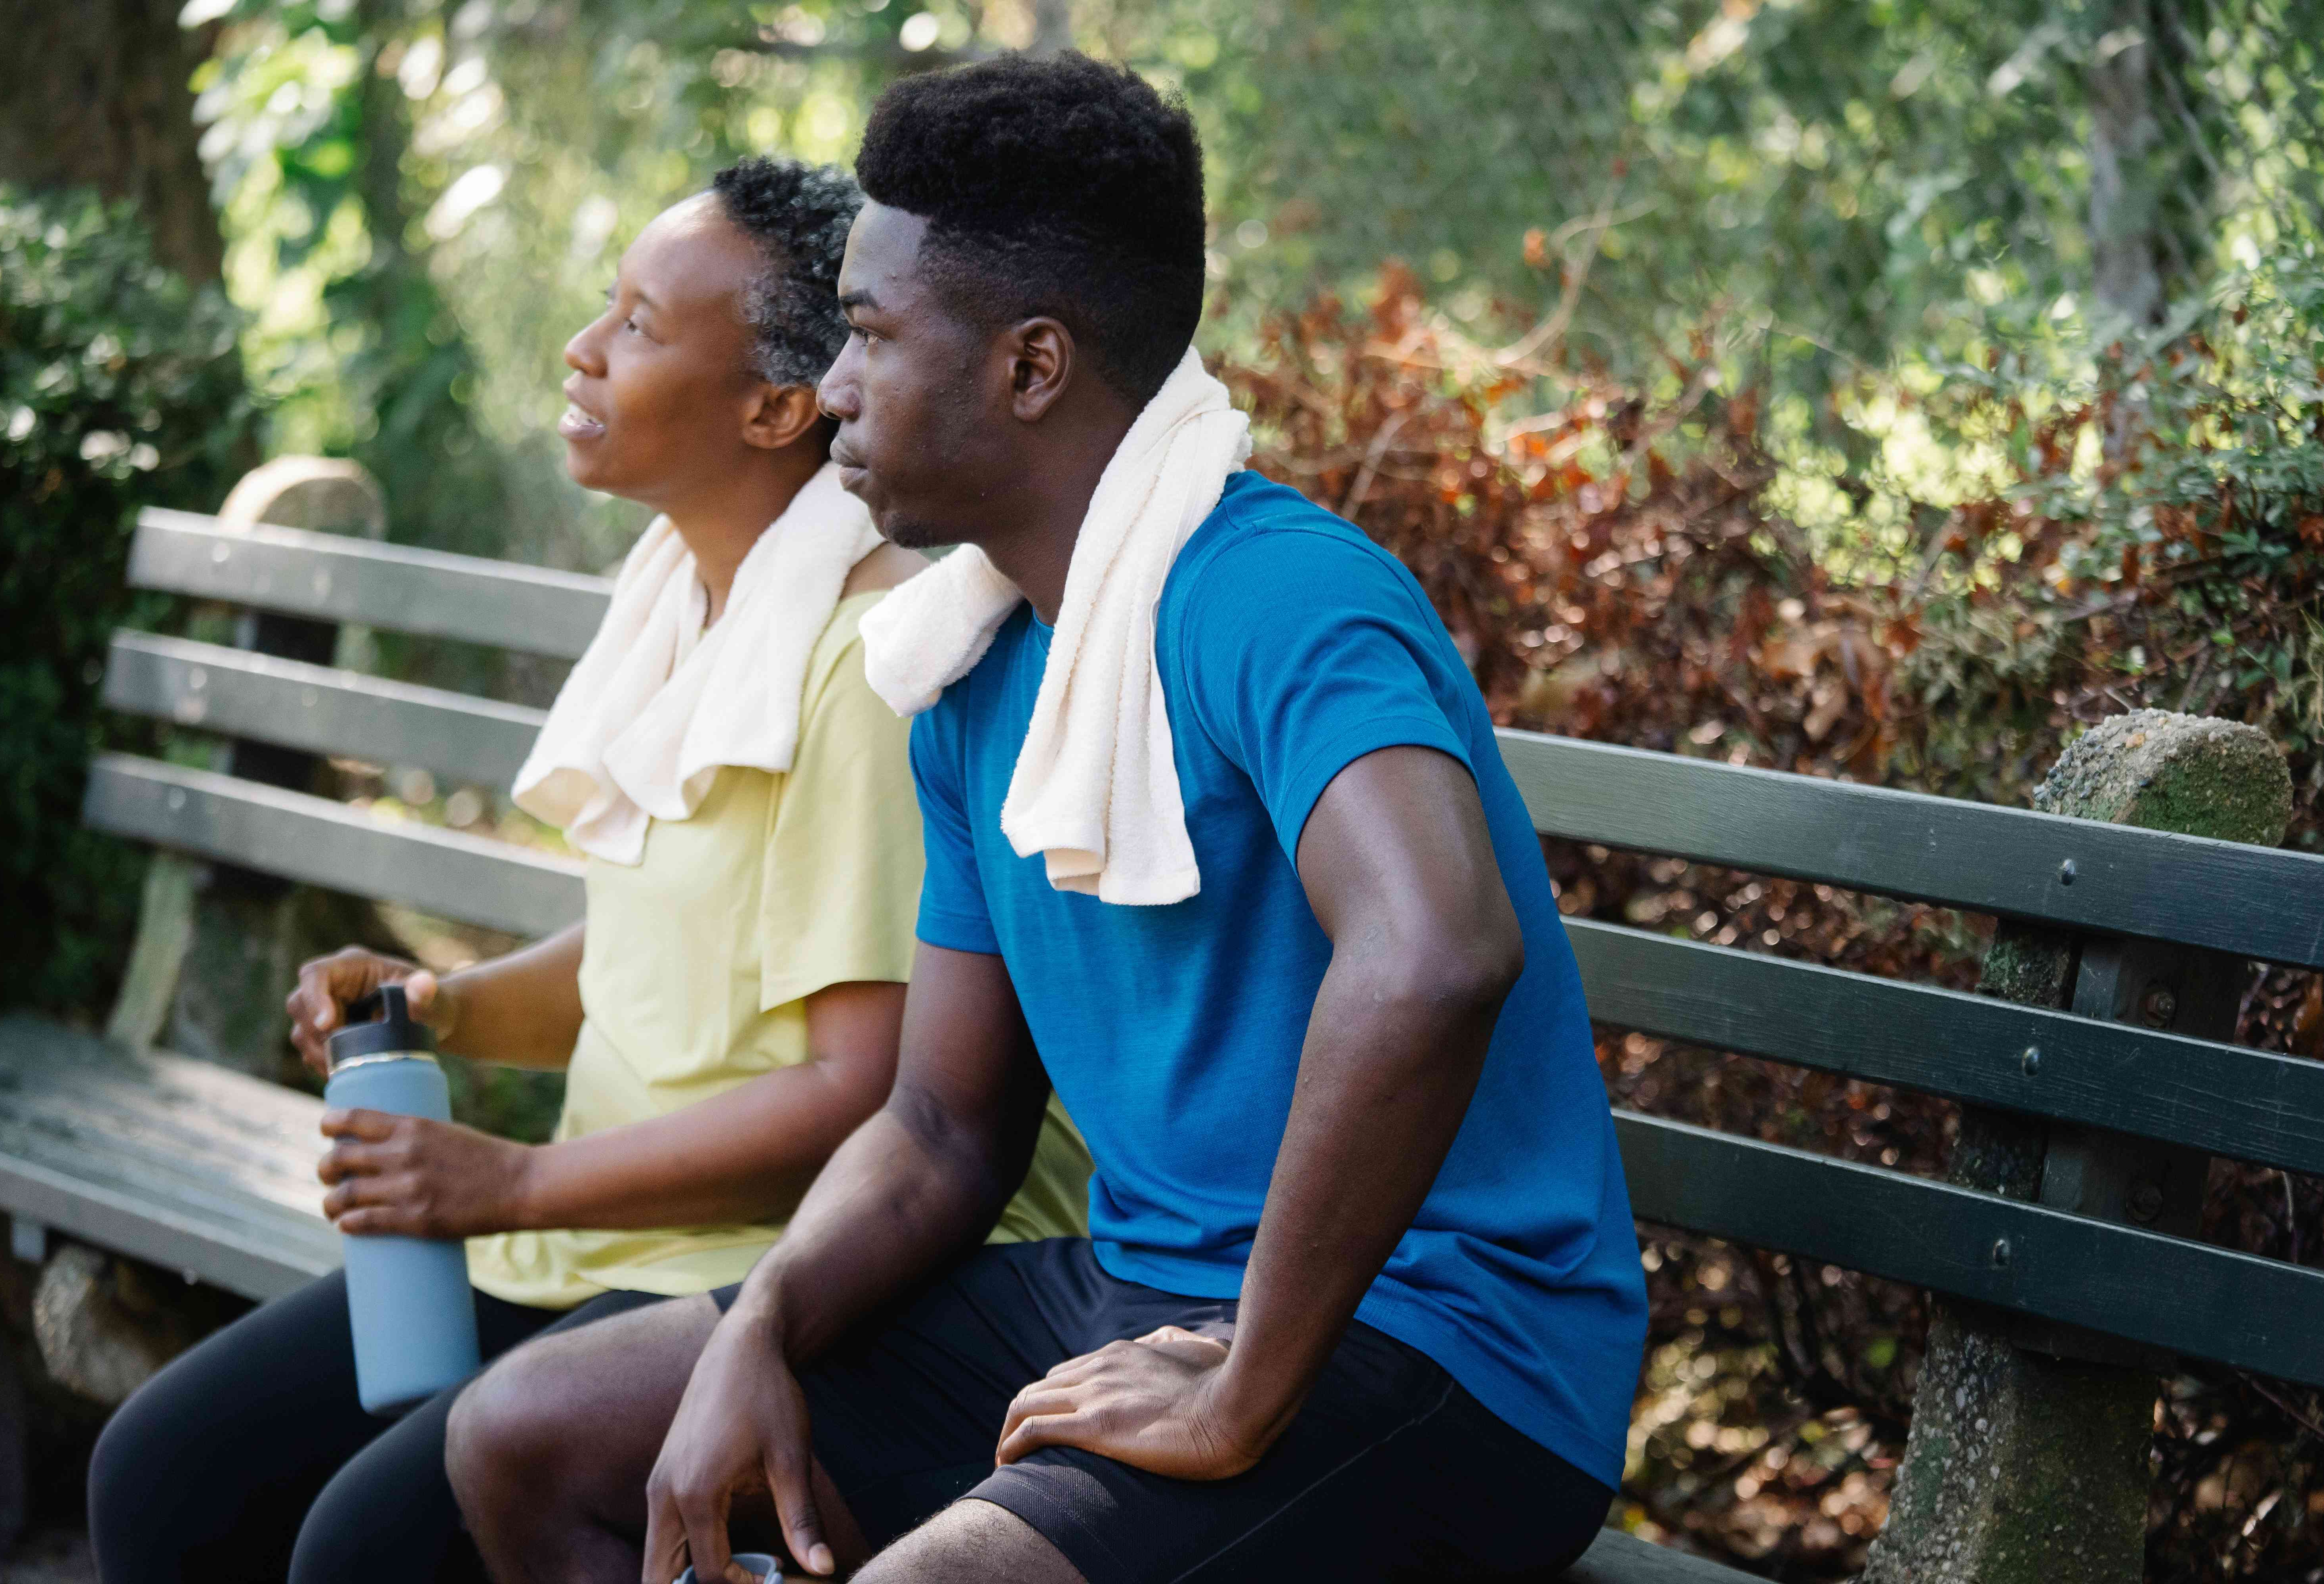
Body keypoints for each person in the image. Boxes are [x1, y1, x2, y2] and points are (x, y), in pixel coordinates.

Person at [442, 53, 1648, 1584]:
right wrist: (761, 1326)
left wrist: (1242, 1386)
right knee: (530, 1433)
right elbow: (944, 1128)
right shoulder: (970, 656)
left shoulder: (1279, 596)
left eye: (872, 337)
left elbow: (1434, 954)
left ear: (1030, 367)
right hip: (1136, 1291)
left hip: (1443, 1347)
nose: (833, 390)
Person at [85, 154, 1090, 1584]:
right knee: (166, 1474)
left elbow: (861, 1093)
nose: (582, 347)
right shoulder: (687, 596)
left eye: (637, 323)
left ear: (776, 407)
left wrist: (510, 1181)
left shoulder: (869, 664)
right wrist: (448, 1006)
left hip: (771, 1269)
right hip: (588, 1235)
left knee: (357, 1550)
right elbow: (656, 955)